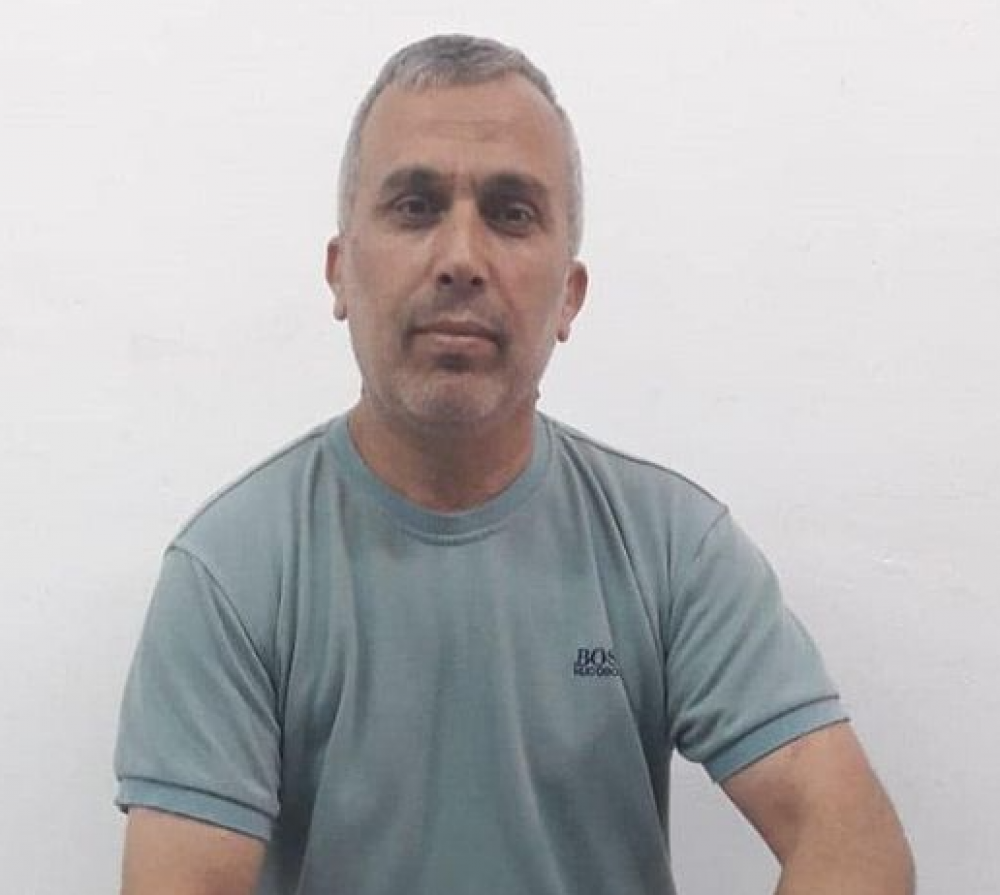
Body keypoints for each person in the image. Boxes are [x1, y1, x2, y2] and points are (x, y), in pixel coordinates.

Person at [114, 34, 915, 895]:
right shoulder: (232, 573)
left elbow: (853, 840)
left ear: (569, 294)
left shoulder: (671, 548)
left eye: (511, 213)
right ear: (341, 272)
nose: (461, 257)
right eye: (416, 206)